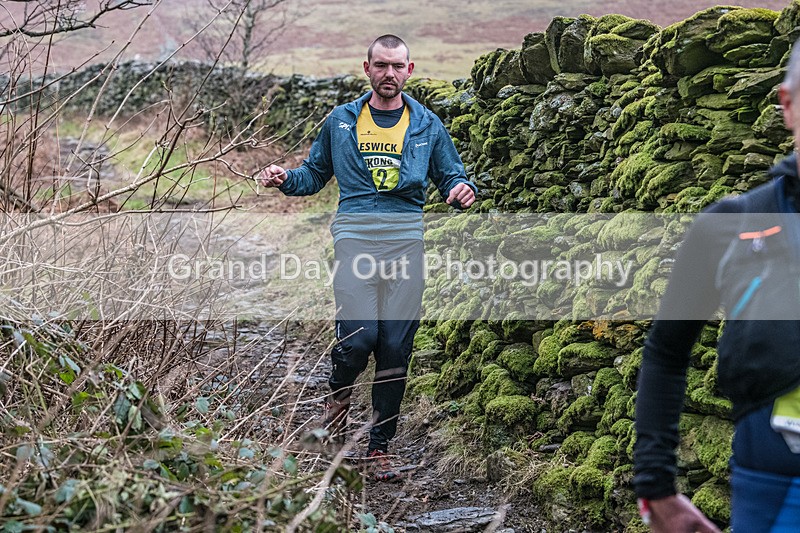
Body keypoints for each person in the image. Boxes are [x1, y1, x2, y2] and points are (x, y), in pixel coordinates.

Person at [257, 34, 476, 479]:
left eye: (397, 66)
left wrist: (460, 189)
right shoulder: (341, 121)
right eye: (381, 66)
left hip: (405, 243)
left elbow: (451, 173)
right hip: (355, 239)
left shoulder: (427, 124)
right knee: (358, 341)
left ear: (409, 71)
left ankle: (379, 447)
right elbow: (314, 174)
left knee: (395, 348)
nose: (389, 74)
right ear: (367, 68)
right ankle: (337, 399)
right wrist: (285, 178)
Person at [633, 41, 800, 531]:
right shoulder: (732, 225)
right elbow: (666, 352)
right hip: (777, 493)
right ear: (786, 104)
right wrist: (656, 488)